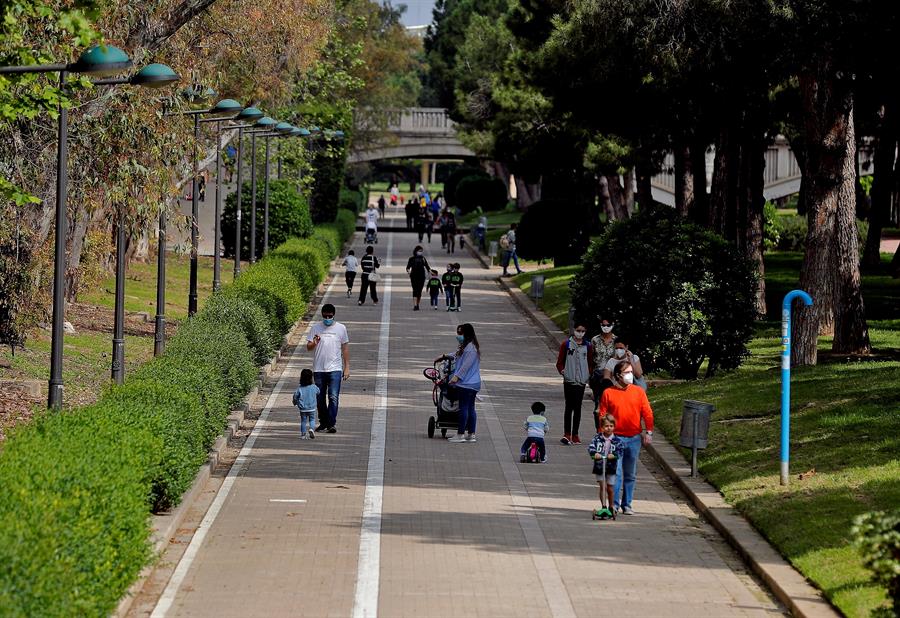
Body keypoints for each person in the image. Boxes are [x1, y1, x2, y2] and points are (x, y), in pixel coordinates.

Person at [597, 360, 654, 515]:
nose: (630, 375)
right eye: (626, 372)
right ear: (618, 375)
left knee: (630, 473)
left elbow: (647, 412)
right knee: (616, 473)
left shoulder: (638, 392)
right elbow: (602, 414)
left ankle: (627, 504)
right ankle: (614, 504)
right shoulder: (608, 393)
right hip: (615, 439)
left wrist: (648, 432)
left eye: (631, 372)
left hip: (634, 439)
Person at [306, 304, 350, 433]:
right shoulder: (315, 328)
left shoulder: (341, 328)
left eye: (330, 316)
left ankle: (331, 423)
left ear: (333, 315)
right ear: (322, 315)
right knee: (319, 398)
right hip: (319, 369)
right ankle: (323, 422)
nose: (327, 318)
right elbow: (308, 347)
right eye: (325, 316)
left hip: (335, 369)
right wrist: (314, 343)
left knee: (333, 396)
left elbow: (345, 349)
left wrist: (347, 367)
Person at [434, 323, 481, 443]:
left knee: (464, 407)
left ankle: (460, 434)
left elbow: (465, 366)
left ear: (467, 333)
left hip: (467, 383)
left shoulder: (470, 349)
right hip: (473, 383)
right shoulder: (466, 346)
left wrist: (455, 377)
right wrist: (444, 356)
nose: (458, 336)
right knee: (471, 407)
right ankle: (471, 434)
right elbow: (457, 355)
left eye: (460, 333)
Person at [556, 324, 594, 445]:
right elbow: (560, 362)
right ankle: (567, 433)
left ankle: (575, 434)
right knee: (569, 406)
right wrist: (564, 372)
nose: (580, 333)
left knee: (577, 407)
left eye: (582, 331)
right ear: (574, 331)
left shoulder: (587, 346)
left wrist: (587, 375)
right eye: (578, 330)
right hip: (569, 380)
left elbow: (590, 362)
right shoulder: (566, 344)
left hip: (581, 381)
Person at [588, 414, 624, 517]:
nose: (609, 428)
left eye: (611, 426)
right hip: (600, 466)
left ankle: (611, 506)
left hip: (611, 466)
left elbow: (620, 450)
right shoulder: (597, 438)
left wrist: (615, 455)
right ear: (602, 427)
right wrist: (595, 453)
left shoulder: (617, 440)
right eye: (606, 426)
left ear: (614, 427)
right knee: (602, 487)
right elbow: (591, 447)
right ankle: (603, 506)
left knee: (610, 488)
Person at [589, 318, 618, 418]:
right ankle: (599, 430)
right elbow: (591, 359)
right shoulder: (595, 340)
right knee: (599, 406)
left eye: (608, 325)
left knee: (612, 405)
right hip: (598, 376)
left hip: (612, 376)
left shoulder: (616, 340)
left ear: (613, 324)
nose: (606, 327)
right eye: (603, 325)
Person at [292, 368, 320, 439]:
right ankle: (311, 429)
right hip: (312, 408)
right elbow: (318, 392)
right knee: (312, 419)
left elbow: (295, 396)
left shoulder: (300, 388)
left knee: (303, 421)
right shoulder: (314, 387)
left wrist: (295, 402)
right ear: (311, 378)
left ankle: (303, 434)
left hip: (303, 408)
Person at [405, 245, 430, 311]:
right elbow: (408, 267)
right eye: (419, 251)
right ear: (416, 251)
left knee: (419, 291)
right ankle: (415, 305)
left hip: (421, 277)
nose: (420, 252)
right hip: (413, 276)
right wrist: (408, 271)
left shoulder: (423, 258)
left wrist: (430, 273)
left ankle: (418, 303)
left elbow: (427, 267)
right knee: (415, 290)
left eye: (421, 251)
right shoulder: (411, 259)